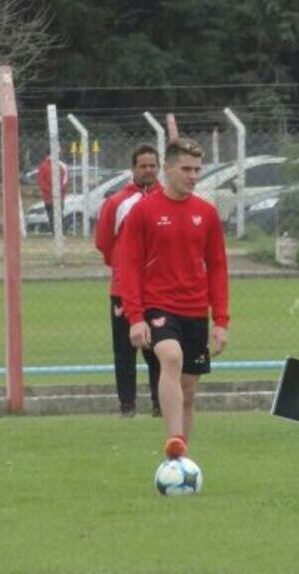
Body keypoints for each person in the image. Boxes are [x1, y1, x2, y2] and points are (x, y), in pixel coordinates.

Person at [117, 137, 229, 459]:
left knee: (189, 390)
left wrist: (221, 321)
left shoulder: (206, 214)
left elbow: (218, 267)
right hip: (158, 306)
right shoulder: (143, 212)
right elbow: (129, 266)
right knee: (170, 357)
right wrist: (135, 317)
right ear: (167, 169)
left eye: (197, 170)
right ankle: (174, 438)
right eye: (186, 169)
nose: (193, 176)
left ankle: (179, 460)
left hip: (195, 310)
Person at [95, 143, 163, 418]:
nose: (148, 170)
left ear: (159, 167)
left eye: (152, 165)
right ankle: (127, 406)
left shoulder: (168, 199)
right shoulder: (117, 202)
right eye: (143, 166)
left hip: (158, 290)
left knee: (159, 350)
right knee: (124, 351)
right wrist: (122, 266)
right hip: (123, 289)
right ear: (133, 168)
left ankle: (161, 404)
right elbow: (104, 242)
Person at [37, 155, 69, 231]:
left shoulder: (60, 165)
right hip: (51, 196)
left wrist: (58, 189)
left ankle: (57, 230)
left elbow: (65, 179)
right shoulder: (45, 166)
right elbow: (41, 180)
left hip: (54, 195)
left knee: (56, 214)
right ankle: (56, 230)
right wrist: (53, 190)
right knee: (53, 214)